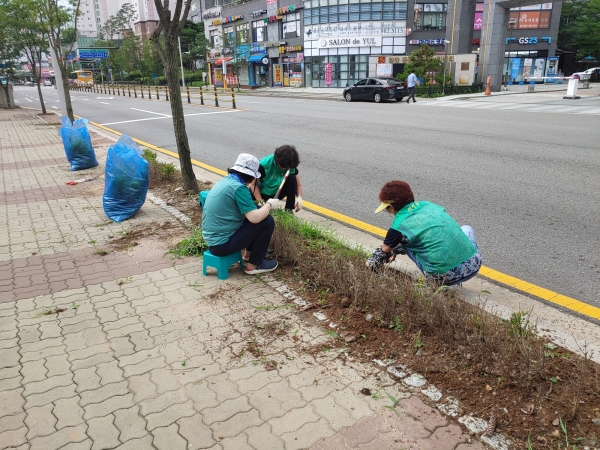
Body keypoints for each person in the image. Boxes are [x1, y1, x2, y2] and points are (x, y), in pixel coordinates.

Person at [366, 180, 482, 286]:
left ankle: (440, 282)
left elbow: (377, 257)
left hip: (443, 277)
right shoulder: (428, 205)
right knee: (466, 228)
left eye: (386, 209)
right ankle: (456, 272)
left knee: (405, 240)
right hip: (474, 264)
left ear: (391, 207)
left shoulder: (398, 227)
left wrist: (374, 264)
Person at [201, 153, 280, 275]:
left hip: (213, 240)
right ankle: (254, 265)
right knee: (267, 220)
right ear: (251, 176)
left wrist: (261, 208)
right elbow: (254, 218)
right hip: (221, 245)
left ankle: (248, 255)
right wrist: (269, 205)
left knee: (257, 210)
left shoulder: (227, 181)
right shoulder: (239, 188)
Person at [253, 145, 303, 213]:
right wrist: (261, 203)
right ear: (277, 161)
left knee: (292, 178)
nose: (285, 169)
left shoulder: (289, 165)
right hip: (263, 193)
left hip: (277, 193)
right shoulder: (264, 164)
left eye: (287, 167)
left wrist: (299, 197)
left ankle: (289, 210)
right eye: (283, 167)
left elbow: (298, 185)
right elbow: (253, 185)